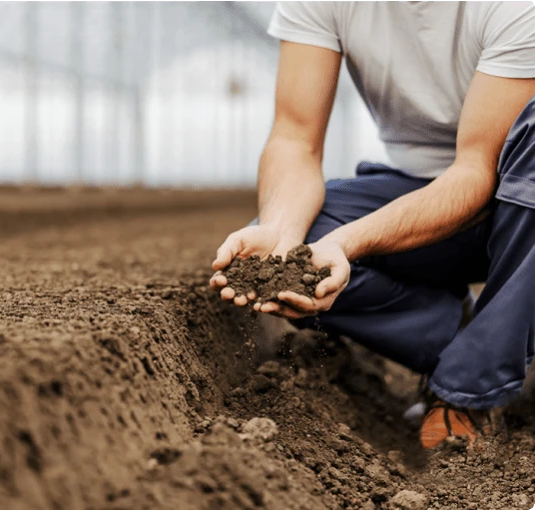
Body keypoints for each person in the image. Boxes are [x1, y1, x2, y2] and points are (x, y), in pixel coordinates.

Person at [210, 1, 535, 449]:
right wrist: (284, 236)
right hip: (419, 192)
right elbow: (294, 138)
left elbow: (477, 172)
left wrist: (347, 241)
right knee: (294, 247)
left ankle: (469, 390)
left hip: (514, 200)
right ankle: (468, 336)